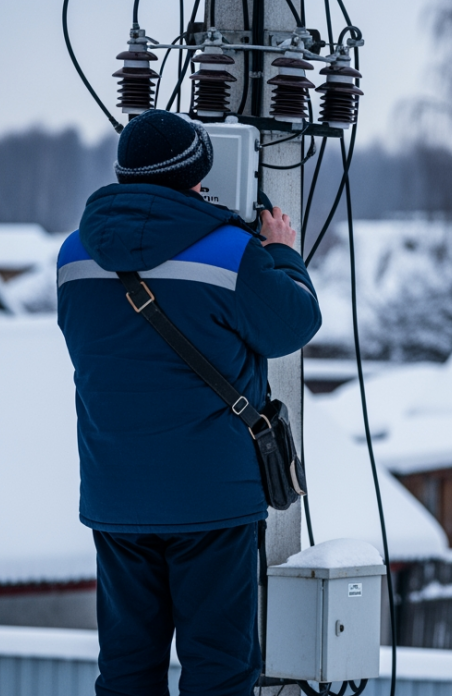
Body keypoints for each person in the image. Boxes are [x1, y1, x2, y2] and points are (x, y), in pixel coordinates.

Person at [56, 109, 322, 696]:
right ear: (195, 177)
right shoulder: (232, 254)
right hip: (213, 502)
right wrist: (280, 252)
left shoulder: (73, 257)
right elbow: (295, 323)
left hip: (116, 498)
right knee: (220, 671)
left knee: (127, 670)